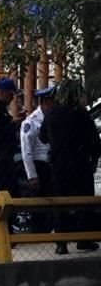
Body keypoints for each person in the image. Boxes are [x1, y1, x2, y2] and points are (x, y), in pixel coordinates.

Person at [39, 78, 101, 254]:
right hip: (80, 165)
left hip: (58, 166)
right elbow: (94, 141)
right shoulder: (81, 114)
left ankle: (61, 242)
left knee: (60, 203)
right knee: (84, 202)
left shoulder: (51, 114)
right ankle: (84, 240)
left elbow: (42, 137)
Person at [20, 85, 56, 235]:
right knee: (39, 202)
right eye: (53, 101)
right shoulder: (32, 122)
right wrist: (32, 176)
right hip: (39, 165)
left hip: (51, 165)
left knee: (53, 201)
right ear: (46, 102)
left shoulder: (53, 117)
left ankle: (50, 230)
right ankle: (38, 232)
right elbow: (26, 151)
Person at [0, 77, 26, 200]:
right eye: (11, 94)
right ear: (2, 92)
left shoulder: (0, 108)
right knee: (2, 194)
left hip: (5, 158)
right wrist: (14, 124)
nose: (13, 98)